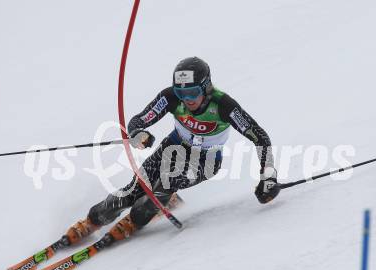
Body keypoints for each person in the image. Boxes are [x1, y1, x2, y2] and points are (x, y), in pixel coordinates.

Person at [61, 57, 281, 249]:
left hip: (205, 160)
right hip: (172, 148)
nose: (187, 100)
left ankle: (138, 218)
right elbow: (139, 120)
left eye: (193, 92)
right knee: (132, 190)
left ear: (206, 88)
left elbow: (260, 137)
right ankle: (92, 219)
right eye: (181, 93)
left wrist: (268, 176)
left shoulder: (223, 105)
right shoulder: (171, 98)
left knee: (163, 186)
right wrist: (138, 133)